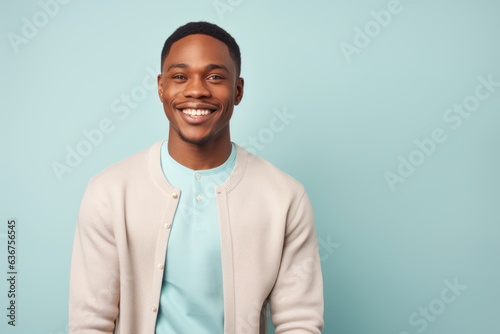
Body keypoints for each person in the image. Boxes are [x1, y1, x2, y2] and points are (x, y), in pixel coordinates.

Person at [69, 21, 324, 334]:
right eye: (180, 76)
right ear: (161, 87)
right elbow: (89, 323)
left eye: (215, 77)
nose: (196, 90)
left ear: (238, 90)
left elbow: (299, 321)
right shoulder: (108, 192)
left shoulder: (285, 197)